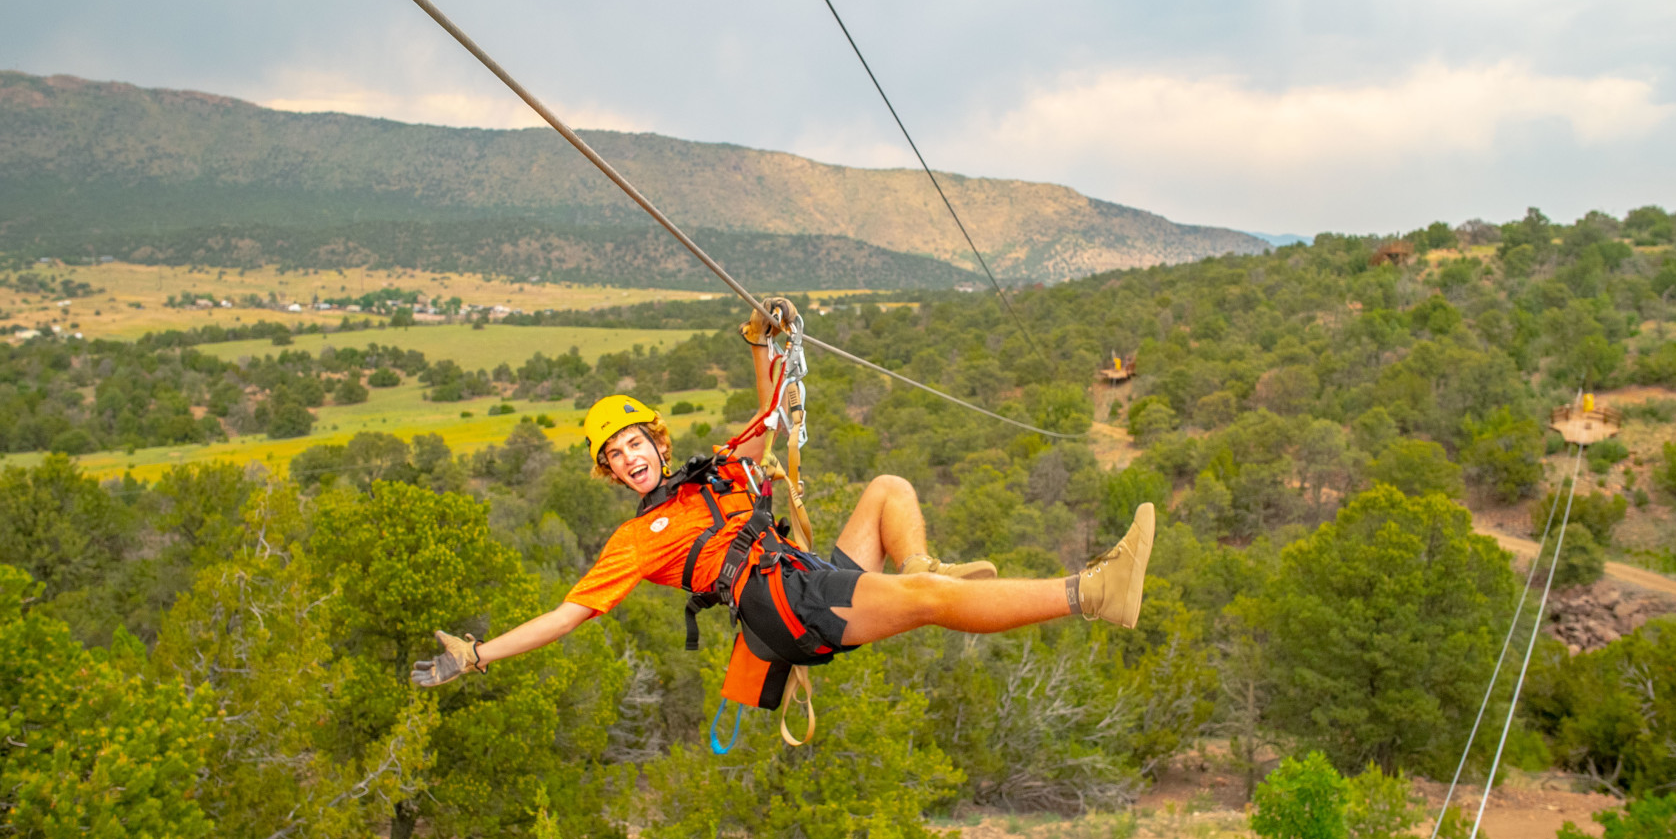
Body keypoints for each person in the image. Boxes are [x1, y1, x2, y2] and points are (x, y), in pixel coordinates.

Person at [411, 298, 1157, 710]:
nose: (630, 458)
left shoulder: (714, 479)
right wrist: (477, 656)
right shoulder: (638, 540)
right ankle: (1093, 592)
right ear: (611, 474)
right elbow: (565, 616)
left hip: (799, 579)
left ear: (657, 444)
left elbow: (768, 417)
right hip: (784, 607)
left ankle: (926, 571)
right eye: (616, 456)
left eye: (635, 443)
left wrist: (760, 340)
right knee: (924, 599)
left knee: (887, 491)